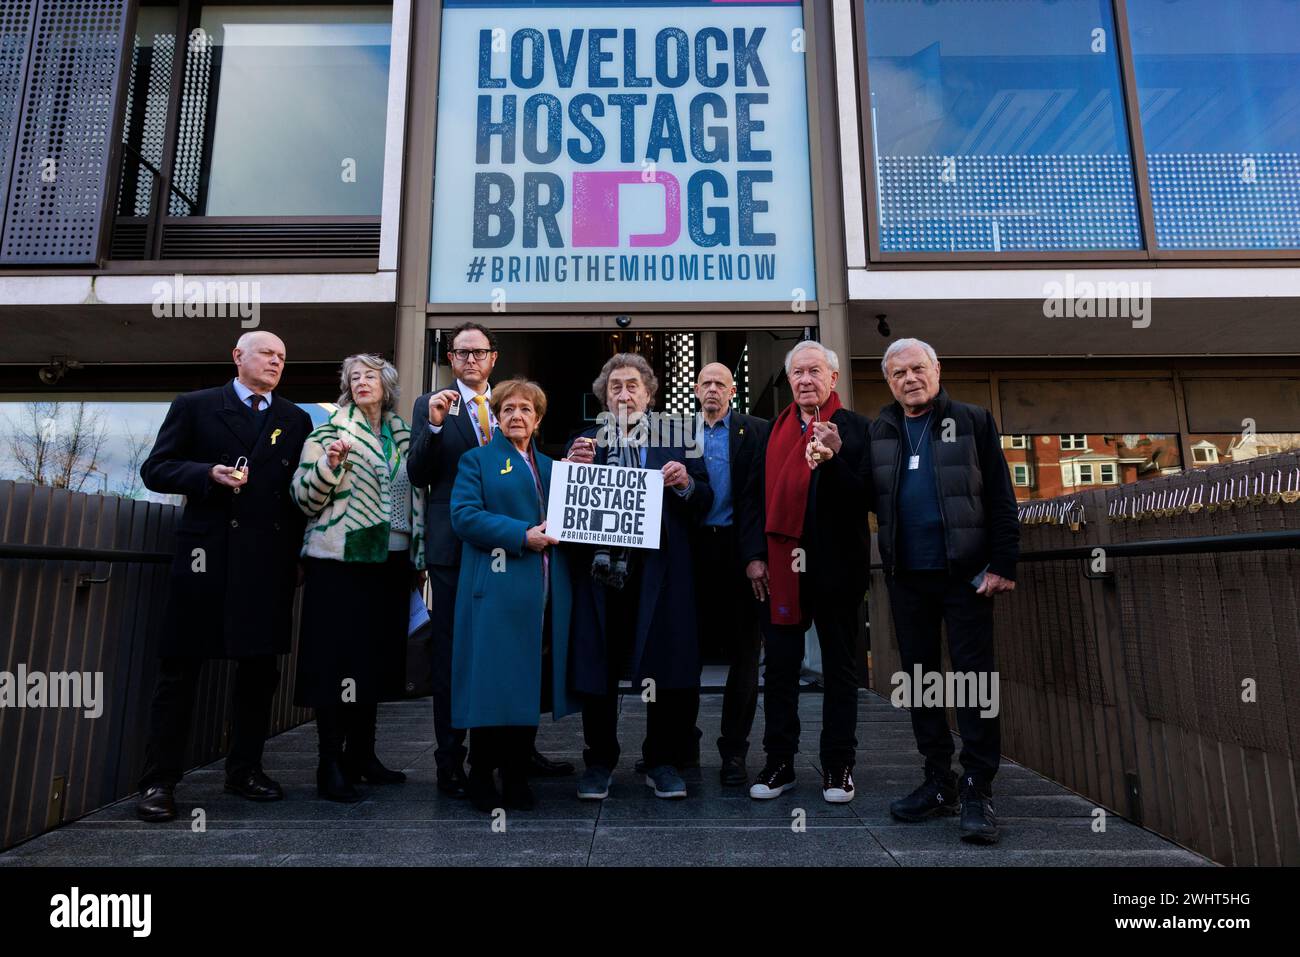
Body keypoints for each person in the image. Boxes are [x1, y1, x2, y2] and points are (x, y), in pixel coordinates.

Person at [135, 331, 312, 822]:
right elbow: (155, 469)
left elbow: (298, 497)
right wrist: (205, 474)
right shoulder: (195, 405)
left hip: (267, 562)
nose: (276, 361)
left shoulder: (296, 419)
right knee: (179, 674)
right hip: (204, 558)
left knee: (259, 674)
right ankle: (158, 782)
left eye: (282, 356)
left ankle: (245, 770)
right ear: (238, 357)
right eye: (267, 354)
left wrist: (296, 555)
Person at [408, 322, 574, 798]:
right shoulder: (436, 408)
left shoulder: (546, 464)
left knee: (519, 663)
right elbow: (422, 475)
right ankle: (456, 764)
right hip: (461, 559)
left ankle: (517, 762)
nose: (470, 359)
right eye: (461, 352)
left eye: (479, 352)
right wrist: (436, 426)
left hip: (524, 578)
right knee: (464, 663)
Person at [871, 338, 1018, 844]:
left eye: (917, 369)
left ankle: (978, 787)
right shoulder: (882, 430)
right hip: (908, 578)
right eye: (898, 373)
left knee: (974, 683)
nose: (909, 378)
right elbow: (860, 495)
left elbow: (1000, 494)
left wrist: (1003, 562)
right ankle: (939, 781)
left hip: (967, 577)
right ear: (889, 382)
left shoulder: (973, 420)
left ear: (936, 370)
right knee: (920, 681)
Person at [564, 353, 712, 801]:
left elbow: (704, 502)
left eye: (632, 385)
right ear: (604, 398)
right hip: (600, 575)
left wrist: (686, 482)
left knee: (661, 665)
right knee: (599, 666)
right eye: (615, 387)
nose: (624, 393)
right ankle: (599, 761)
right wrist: (574, 472)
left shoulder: (680, 442)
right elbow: (563, 513)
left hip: (659, 575)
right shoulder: (586, 443)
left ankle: (660, 759)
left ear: (649, 395)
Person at [291, 354, 425, 802]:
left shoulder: (403, 435)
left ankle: (363, 755)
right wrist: (331, 465)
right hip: (341, 560)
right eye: (354, 377)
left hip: (393, 560)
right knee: (336, 662)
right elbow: (304, 498)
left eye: (370, 376)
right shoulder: (329, 431)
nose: (362, 382)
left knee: (376, 659)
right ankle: (329, 762)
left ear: (386, 385)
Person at [748, 340, 871, 805]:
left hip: (837, 571)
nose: (805, 380)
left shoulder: (857, 429)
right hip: (779, 570)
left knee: (840, 673)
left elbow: (868, 497)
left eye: (814, 371)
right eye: (797, 373)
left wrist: (836, 460)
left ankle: (839, 766)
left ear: (833, 379)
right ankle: (780, 762)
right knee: (779, 671)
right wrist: (753, 555)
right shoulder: (770, 433)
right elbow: (751, 501)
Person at [449, 379, 578, 813]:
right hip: (498, 589)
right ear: (497, 418)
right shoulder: (477, 460)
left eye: (525, 409)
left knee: (526, 683)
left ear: (538, 420)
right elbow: (464, 516)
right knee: (492, 683)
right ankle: (481, 773)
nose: (516, 416)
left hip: (542, 593)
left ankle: (517, 774)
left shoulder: (552, 465)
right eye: (507, 409)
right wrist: (521, 535)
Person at [684, 362, 770, 785]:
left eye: (720, 383)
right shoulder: (678, 434)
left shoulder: (757, 431)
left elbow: (762, 497)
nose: (713, 389)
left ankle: (734, 752)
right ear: (696, 390)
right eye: (706, 383)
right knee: (684, 655)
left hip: (741, 552)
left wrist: (757, 555)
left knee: (744, 658)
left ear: (732, 390)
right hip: (693, 554)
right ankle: (683, 746)